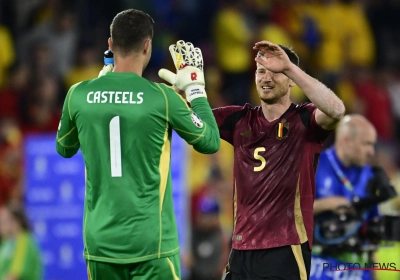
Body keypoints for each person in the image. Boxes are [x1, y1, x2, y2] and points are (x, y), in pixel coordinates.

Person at [159, 40, 345, 279]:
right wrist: (188, 92)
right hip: (240, 250)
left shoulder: (304, 121)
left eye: (275, 72)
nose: (266, 78)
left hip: (285, 249)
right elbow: (188, 121)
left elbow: (336, 110)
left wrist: (290, 67)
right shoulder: (240, 120)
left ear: (291, 80)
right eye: (260, 71)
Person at [56, 9, 220, 280]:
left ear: (110, 44)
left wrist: (99, 88)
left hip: (100, 244)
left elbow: (64, 148)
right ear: (147, 45)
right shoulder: (163, 98)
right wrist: (195, 92)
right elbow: (210, 142)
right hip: (152, 245)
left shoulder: (78, 94)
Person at [312, 114, 397, 280]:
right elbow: (287, 213)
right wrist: (326, 204)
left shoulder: (370, 176)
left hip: (357, 271)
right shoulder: (314, 166)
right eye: (366, 144)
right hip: (319, 267)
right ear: (346, 140)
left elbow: (372, 232)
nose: (371, 152)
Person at [0, 202, 43, 280]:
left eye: (3, 221)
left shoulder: (24, 241)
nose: (1, 225)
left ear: (16, 222)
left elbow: (14, 275)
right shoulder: (6, 243)